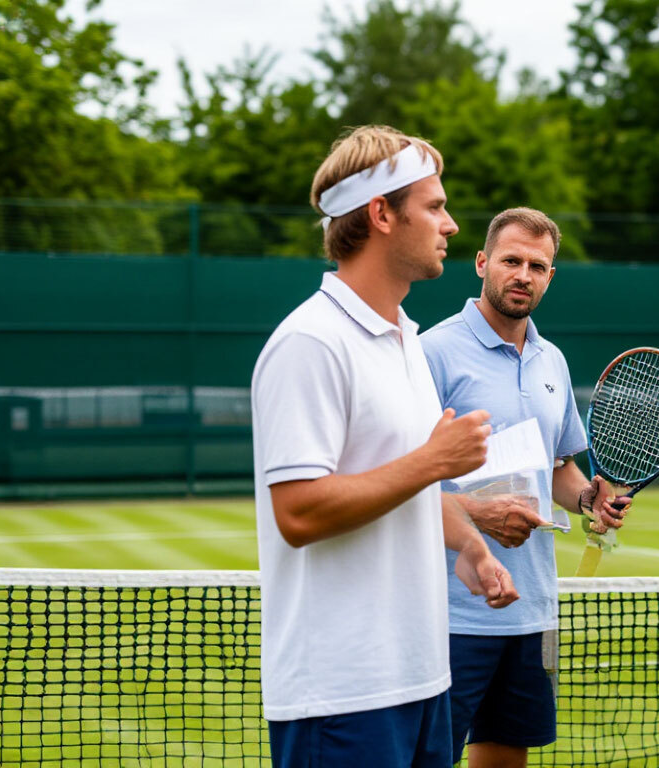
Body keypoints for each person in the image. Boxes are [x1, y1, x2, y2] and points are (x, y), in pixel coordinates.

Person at [251, 125, 519, 768]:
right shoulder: (310, 343)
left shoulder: (405, 341)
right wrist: (435, 460)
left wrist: (472, 547)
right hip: (340, 698)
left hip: (424, 682)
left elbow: (408, 489)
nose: (451, 225)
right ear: (381, 215)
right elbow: (299, 513)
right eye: (434, 206)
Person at [419, 207, 630, 768]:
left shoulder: (551, 360)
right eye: (511, 261)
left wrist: (590, 499)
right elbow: (408, 473)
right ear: (482, 262)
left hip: (533, 607)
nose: (523, 275)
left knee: (509, 754)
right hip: (451, 610)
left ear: (550, 276)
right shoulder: (431, 352)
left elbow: (558, 465)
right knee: (430, 755)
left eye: (538, 266)